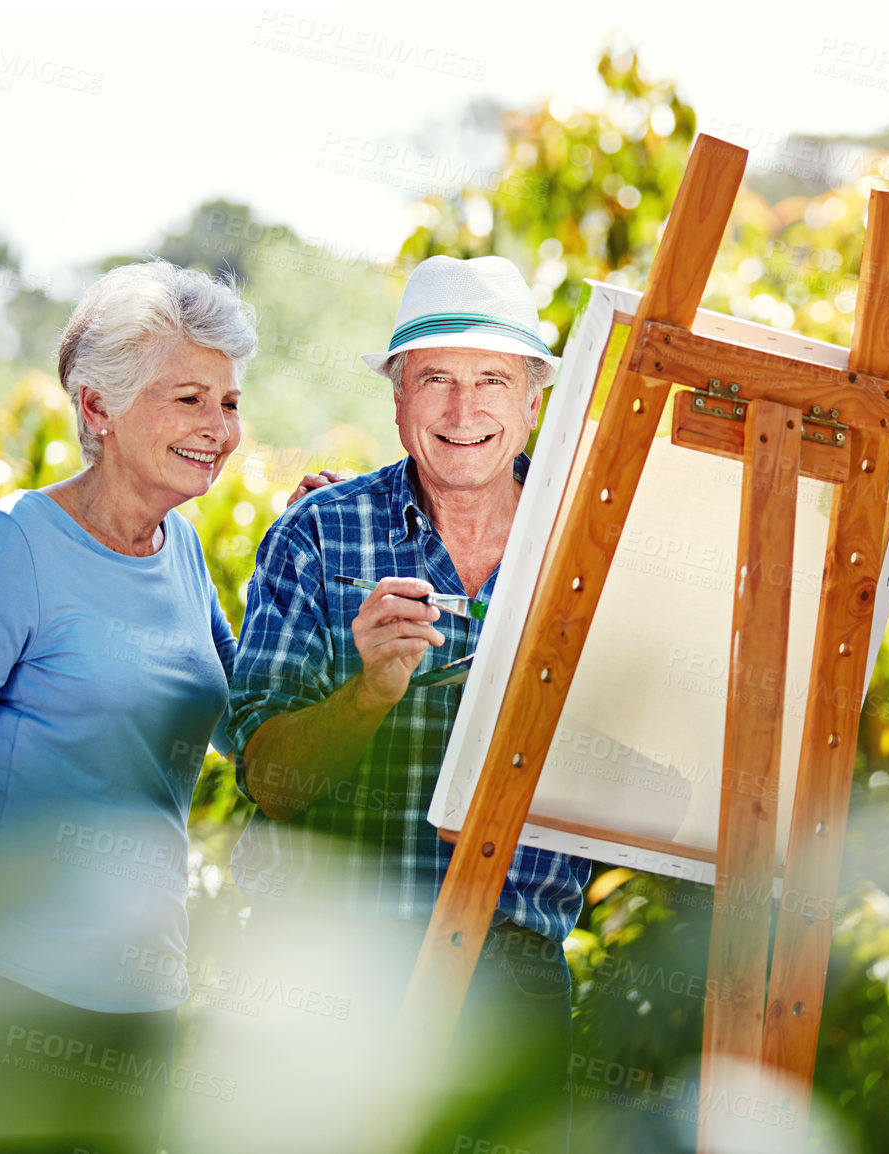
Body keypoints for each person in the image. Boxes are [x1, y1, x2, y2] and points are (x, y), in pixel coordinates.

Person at [0, 260, 256, 1154]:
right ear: (97, 409)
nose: (219, 429)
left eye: (230, 402)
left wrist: (312, 576)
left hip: (136, 1004)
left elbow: (249, 728)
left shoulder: (185, 551)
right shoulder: (18, 541)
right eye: (189, 399)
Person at [227, 254, 587, 1149]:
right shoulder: (317, 535)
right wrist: (367, 694)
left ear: (534, 399)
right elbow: (267, 779)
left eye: (492, 381)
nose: (464, 414)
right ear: (397, 399)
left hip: (512, 985)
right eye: (435, 380)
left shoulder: (594, 542)